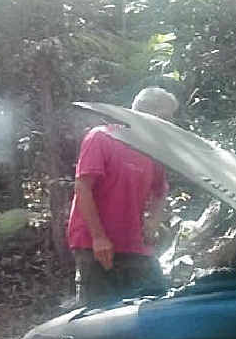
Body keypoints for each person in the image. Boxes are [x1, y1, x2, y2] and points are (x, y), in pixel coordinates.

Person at [66, 87, 179, 304]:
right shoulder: (102, 137)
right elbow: (82, 187)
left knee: (157, 303)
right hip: (94, 243)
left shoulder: (151, 150)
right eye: (165, 117)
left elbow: (160, 190)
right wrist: (99, 237)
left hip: (135, 243)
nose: (169, 123)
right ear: (146, 114)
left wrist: (153, 221)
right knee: (100, 313)